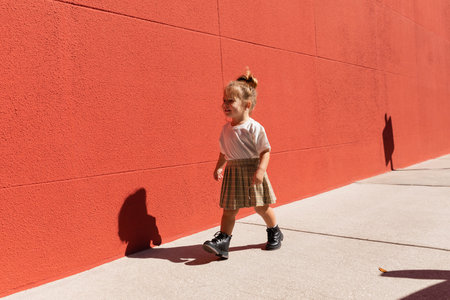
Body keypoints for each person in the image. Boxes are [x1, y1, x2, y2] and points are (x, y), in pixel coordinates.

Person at [202, 69, 283, 259]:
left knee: (261, 207)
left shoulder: (254, 127)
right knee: (229, 210)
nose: (225, 104)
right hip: (233, 172)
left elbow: (265, 150)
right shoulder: (225, 130)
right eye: (224, 100)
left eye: (231, 101)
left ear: (247, 105)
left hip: (252, 171)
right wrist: (219, 166)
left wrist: (261, 170)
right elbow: (224, 152)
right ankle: (223, 241)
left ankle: (275, 231)